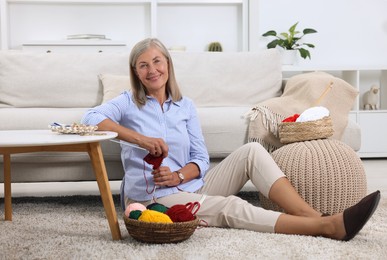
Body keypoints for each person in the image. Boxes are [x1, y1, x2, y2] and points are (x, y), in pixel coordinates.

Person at [82, 38, 380, 241]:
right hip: (154, 198)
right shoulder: (127, 102)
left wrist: (178, 175)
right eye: (143, 65)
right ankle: (326, 226)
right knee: (229, 208)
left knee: (251, 151)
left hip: (189, 184)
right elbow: (89, 120)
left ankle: (309, 215)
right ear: (135, 72)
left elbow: (200, 159)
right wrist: (141, 139)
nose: (152, 70)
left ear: (168, 65)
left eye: (157, 61)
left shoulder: (185, 106)